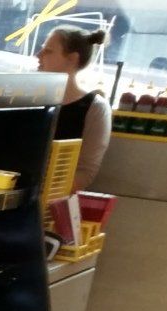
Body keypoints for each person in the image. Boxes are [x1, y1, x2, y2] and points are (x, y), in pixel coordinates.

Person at [40, 27, 114, 190]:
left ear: (72, 59)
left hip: (51, 198)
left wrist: (41, 192)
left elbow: (85, 172)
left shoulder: (95, 108)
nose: (39, 56)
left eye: (48, 51)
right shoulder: (27, 98)